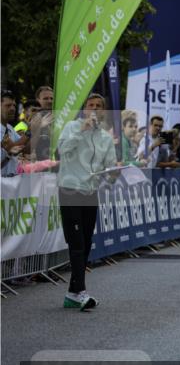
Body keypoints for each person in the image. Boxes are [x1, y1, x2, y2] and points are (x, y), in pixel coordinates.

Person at [56, 93, 116, 311]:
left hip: (90, 193)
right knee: (77, 243)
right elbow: (62, 151)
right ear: (84, 109)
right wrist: (81, 131)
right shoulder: (72, 127)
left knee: (86, 241)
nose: (94, 108)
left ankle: (72, 293)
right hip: (70, 190)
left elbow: (109, 168)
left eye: (99, 106)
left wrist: (112, 175)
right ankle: (80, 291)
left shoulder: (106, 138)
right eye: (91, 105)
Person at [1, 90, 24, 176]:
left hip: (10, 184)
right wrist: (30, 130)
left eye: (14, 105)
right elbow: (14, 146)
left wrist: (35, 129)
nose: (13, 108)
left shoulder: (10, 128)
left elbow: (24, 147)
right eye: (8, 105)